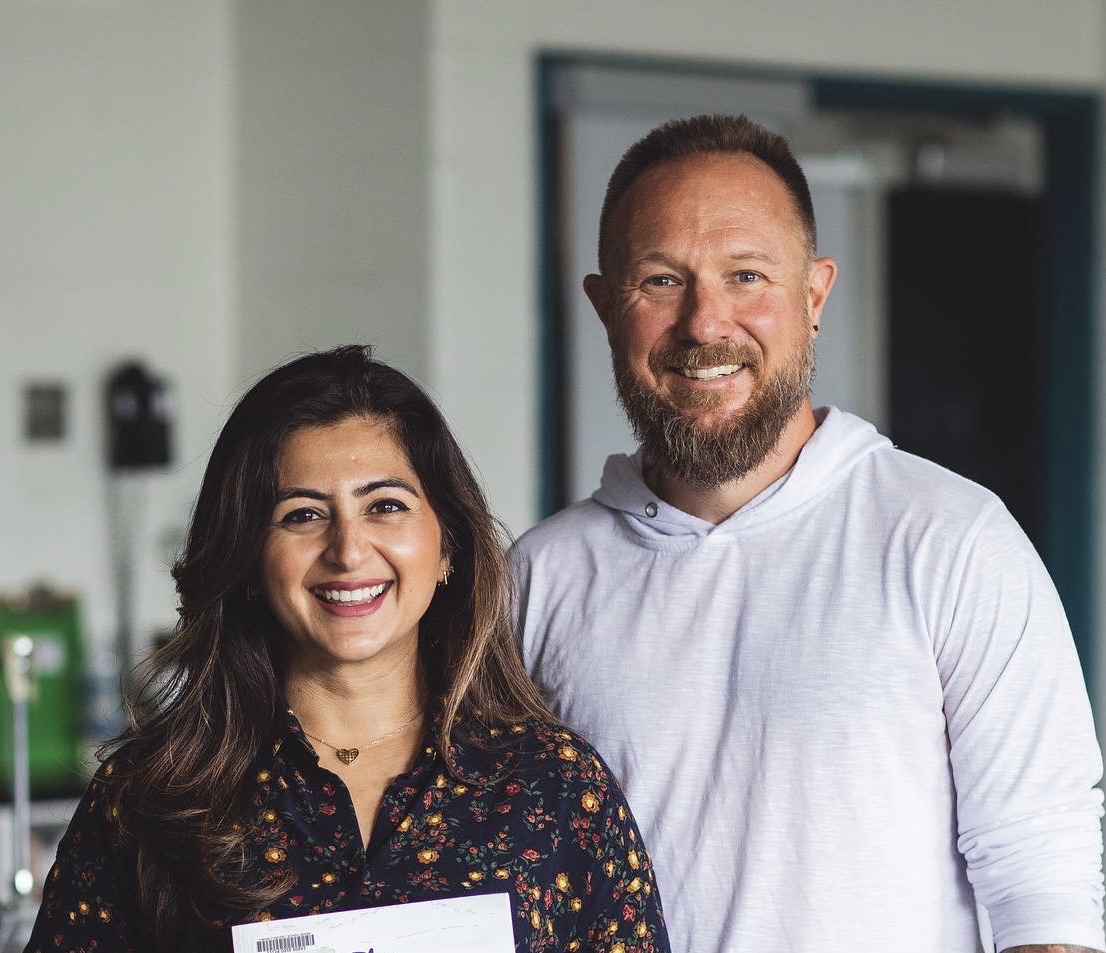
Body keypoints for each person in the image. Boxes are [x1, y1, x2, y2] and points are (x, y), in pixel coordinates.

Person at [510, 114, 1105, 953]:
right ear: (607, 307)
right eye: (660, 281)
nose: (706, 323)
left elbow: (1042, 880)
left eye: (746, 274)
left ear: (816, 294)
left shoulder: (951, 541)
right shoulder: (540, 579)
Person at [23, 346, 669, 953]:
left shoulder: (554, 787)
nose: (349, 550)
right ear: (248, 559)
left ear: (446, 546)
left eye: (385, 505)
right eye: (303, 514)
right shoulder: (147, 801)